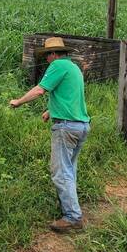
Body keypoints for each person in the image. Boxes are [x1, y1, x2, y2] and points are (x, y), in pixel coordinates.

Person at [9, 37, 90, 233]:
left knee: (60, 173)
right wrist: (50, 111)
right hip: (81, 125)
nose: (46, 59)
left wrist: (18, 102)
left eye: (47, 55)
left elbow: (39, 90)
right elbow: (69, 96)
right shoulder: (73, 68)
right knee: (69, 170)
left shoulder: (57, 66)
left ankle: (72, 217)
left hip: (66, 128)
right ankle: (71, 208)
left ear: (54, 54)